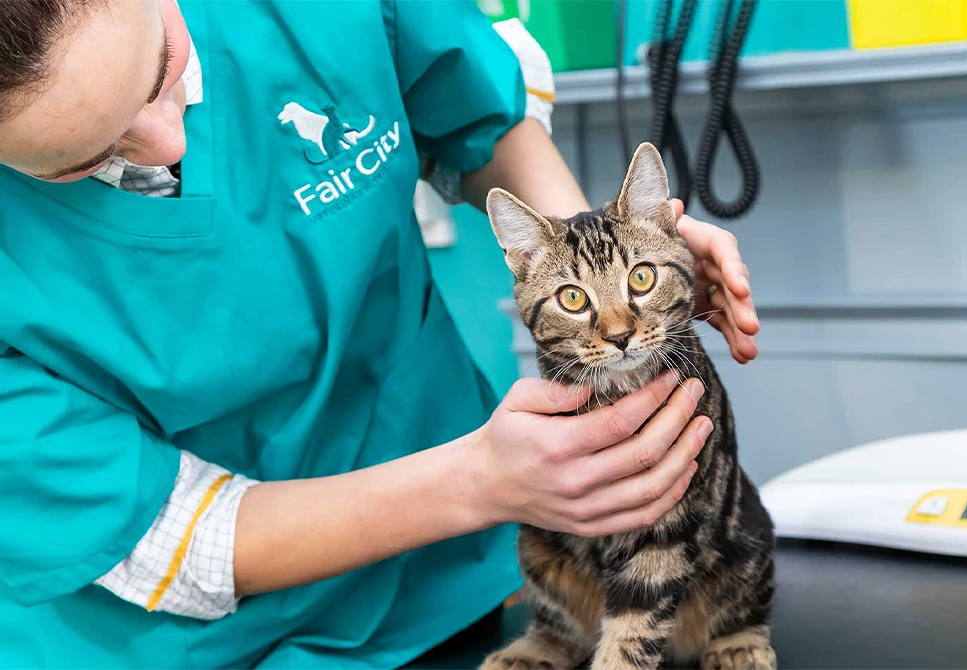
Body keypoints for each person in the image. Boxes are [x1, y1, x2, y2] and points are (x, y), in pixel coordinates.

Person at [0, 0, 761, 666]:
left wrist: (599, 258)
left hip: (442, 585)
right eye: (88, 160)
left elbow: (473, 110)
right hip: (168, 643)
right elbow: (164, 533)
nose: (171, 141)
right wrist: (477, 483)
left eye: (165, 65)